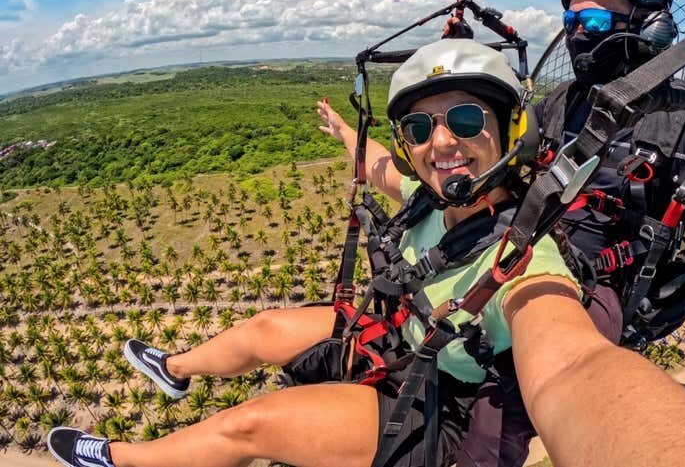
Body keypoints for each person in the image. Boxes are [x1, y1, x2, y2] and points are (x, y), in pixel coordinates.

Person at [46, 39, 579, 467]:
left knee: (250, 425)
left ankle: (122, 460)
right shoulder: (430, 200)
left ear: (512, 129)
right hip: (402, 339)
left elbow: (574, 361)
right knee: (263, 330)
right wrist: (344, 129)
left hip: (441, 403)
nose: (439, 143)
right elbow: (376, 166)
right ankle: (175, 369)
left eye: (464, 120)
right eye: (419, 128)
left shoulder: (528, 266)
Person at [448, 0, 685, 467]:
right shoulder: (561, 102)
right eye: (571, 21)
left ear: (650, 30)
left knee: (497, 419)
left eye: (595, 21)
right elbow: (497, 163)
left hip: (592, 296)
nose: (578, 33)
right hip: (518, 257)